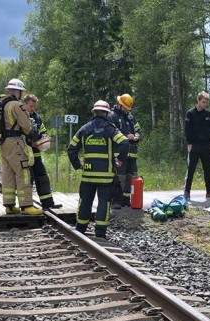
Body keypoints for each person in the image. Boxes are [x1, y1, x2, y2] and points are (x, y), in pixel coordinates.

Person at [68, 100, 128, 238]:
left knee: (85, 201)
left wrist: (78, 165)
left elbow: (71, 148)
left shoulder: (84, 129)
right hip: (106, 177)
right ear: (107, 113)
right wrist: (119, 158)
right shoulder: (111, 129)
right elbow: (124, 142)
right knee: (104, 203)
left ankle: (81, 229)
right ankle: (100, 232)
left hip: (88, 175)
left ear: (94, 112)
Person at [0, 78, 43, 215]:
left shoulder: (2, 104)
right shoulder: (17, 105)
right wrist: (34, 135)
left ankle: (10, 206)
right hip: (16, 142)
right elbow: (25, 125)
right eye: (21, 92)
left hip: (4, 143)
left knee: (8, 173)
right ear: (18, 91)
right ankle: (26, 206)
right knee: (23, 172)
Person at [23, 94, 62, 210]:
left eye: (34, 106)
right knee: (27, 181)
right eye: (31, 106)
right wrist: (30, 143)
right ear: (25, 104)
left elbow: (43, 131)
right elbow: (18, 136)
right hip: (24, 154)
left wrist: (45, 139)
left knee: (43, 178)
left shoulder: (37, 118)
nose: (33, 109)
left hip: (36, 154)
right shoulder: (20, 116)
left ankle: (48, 203)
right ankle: (27, 205)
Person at [109, 93, 142, 209]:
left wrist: (137, 135)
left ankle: (126, 199)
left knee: (130, 177)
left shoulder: (131, 117)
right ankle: (116, 200)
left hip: (132, 153)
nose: (127, 111)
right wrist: (126, 137)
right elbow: (112, 132)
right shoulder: (112, 117)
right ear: (120, 105)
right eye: (125, 108)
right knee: (119, 177)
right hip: (119, 153)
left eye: (129, 109)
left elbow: (138, 129)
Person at [183, 91, 210, 201]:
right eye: (203, 102)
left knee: (207, 169)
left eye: (206, 102)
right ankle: (187, 191)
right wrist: (189, 143)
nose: (205, 104)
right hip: (195, 145)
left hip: (207, 145)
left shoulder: (209, 114)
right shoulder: (190, 113)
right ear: (198, 101)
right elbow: (187, 130)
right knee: (191, 169)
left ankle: (209, 191)